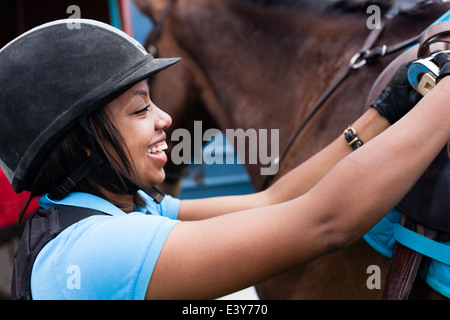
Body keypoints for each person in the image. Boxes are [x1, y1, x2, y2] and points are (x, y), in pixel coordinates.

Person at [0, 19, 448, 300]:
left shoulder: (122, 207)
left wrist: (380, 115)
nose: (165, 119)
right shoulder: (99, 252)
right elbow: (324, 223)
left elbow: (275, 201)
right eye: (140, 110)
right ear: (81, 146)